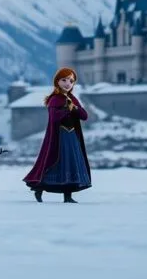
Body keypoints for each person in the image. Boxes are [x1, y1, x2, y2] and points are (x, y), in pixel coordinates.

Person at [22, 67, 92, 203]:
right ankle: (39, 189)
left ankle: (68, 196)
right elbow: (54, 118)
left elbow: (84, 116)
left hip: (72, 138)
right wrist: (67, 109)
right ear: (57, 82)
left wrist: (75, 108)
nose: (67, 83)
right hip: (59, 138)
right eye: (64, 80)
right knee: (55, 163)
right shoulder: (55, 99)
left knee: (71, 165)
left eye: (71, 81)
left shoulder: (72, 98)